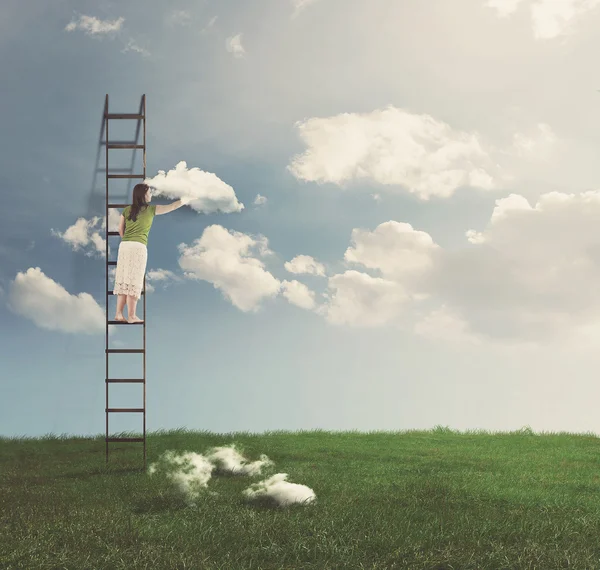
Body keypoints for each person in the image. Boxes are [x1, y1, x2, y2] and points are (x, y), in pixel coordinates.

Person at [113, 183, 185, 323]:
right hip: (138, 247)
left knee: (123, 279)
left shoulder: (127, 210)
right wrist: (186, 199)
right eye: (149, 192)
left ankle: (119, 314)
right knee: (134, 281)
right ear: (143, 195)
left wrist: (128, 240)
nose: (151, 195)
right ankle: (132, 316)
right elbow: (172, 206)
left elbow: (120, 230)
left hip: (125, 246)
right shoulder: (151, 210)